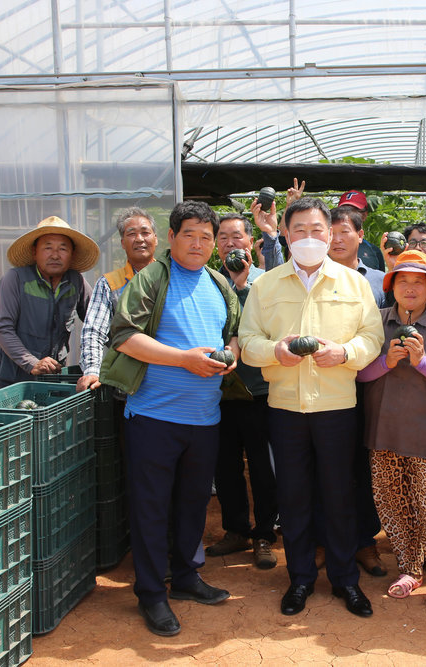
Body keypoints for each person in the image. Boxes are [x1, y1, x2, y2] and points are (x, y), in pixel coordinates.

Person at [100, 201, 241, 637]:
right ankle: (151, 593)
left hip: (204, 417)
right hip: (154, 416)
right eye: (189, 235)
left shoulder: (219, 283)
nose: (198, 244)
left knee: (193, 503)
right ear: (173, 237)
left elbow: (231, 333)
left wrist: (231, 356)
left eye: (206, 237)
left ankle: (185, 577)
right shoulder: (151, 278)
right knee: (151, 506)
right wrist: (183, 360)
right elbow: (123, 337)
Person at [239, 197, 384, 618]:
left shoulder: (353, 283)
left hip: (338, 407)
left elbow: (371, 338)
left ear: (331, 233)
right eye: (298, 229)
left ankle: (344, 580)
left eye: (316, 229)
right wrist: (274, 350)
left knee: (340, 496)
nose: (308, 237)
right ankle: (300, 578)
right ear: (285, 234)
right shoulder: (266, 285)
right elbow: (247, 341)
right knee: (295, 495)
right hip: (285, 408)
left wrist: (344, 352)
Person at [357, 250, 426, 611]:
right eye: (401, 280)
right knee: (393, 505)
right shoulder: (376, 322)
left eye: (417, 281)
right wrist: (385, 362)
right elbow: (357, 373)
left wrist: (422, 362)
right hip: (385, 433)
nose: (409, 287)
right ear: (391, 286)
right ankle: (409, 568)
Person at [204, 212, 279, 570]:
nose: (231, 243)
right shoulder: (208, 281)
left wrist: (244, 284)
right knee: (226, 464)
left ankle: (265, 534)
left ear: (251, 242)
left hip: (260, 390)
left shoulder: (267, 282)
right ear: (217, 245)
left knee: (264, 466)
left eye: (237, 236)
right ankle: (235, 530)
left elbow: (269, 326)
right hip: (219, 389)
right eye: (223, 237)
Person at [327, 205, 387, 576]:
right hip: (324, 386)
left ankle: (366, 542)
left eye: (344, 231)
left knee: (363, 467)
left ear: (360, 237)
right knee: (326, 466)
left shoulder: (381, 281)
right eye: (328, 231)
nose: (335, 238)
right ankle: (324, 540)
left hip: (368, 387)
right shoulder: (312, 277)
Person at [0, 216, 99, 390]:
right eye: (48, 248)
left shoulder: (75, 282)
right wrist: (32, 363)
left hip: (51, 379)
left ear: (72, 254)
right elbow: (2, 328)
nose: (55, 255)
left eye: (63, 248)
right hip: (9, 381)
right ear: (34, 252)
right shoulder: (15, 279)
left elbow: (97, 322)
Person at [78, 208, 157, 391]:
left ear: (155, 238)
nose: (139, 239)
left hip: (167, 376)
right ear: (122, 243)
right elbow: (94, 331)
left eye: (145, 232)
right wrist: (92, 370)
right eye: (131, 234)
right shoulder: (109, 283)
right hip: (125, 381)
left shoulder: (171, 278)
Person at [337, 189, 387, 271]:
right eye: (344, 211)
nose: (348, 215)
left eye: (354, 211)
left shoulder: (374, 251)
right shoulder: (326, 249)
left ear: (364, 215)